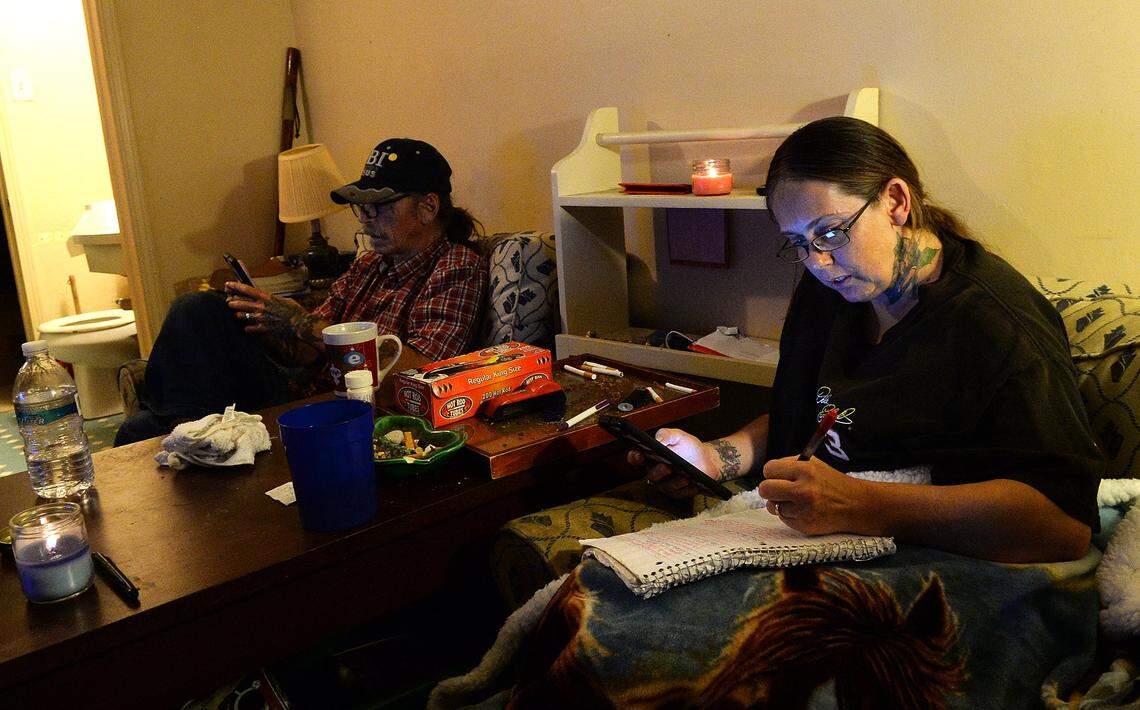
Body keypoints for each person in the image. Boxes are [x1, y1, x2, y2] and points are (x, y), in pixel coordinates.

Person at [632, 116, 1102, 563]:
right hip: (815, 535)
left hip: (952, 557)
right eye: (799, 243)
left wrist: (862, 504)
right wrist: (715, 458)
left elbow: (1063, 526)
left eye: (831, 232)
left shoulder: (995, 323)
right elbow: (816, 419)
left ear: (896, 202)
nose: (817, 262)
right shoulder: (829, 294)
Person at [115, 138, 488, 445]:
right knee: (203, 310)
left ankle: (181, 431)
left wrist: (300, 322)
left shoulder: (455, 266)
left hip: (346, 411)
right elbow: (306, 352)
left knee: (146, 423)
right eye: (363, 209)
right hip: (304, 387)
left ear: (428, 207)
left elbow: (421, 373)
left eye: (379, 207)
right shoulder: (369, 265)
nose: (367, 220)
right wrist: (270, 319)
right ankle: (181, 429)